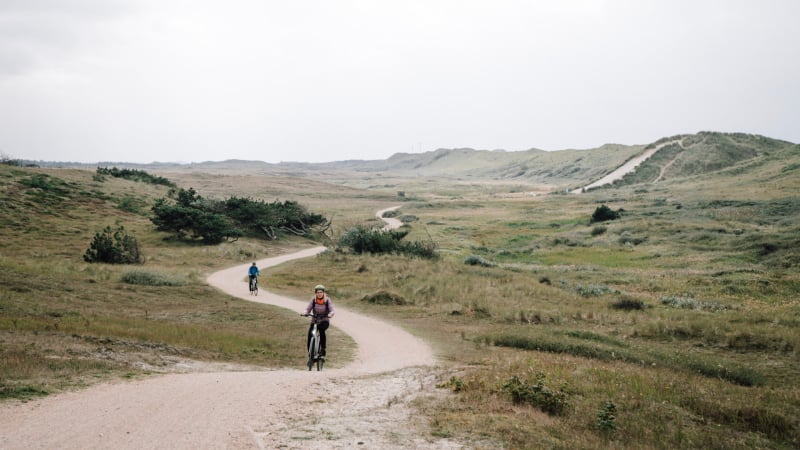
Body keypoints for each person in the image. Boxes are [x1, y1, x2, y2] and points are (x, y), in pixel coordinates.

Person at [303, 284, 335, 358]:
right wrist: (305, 312)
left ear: (323, 293)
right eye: (317, 292)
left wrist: (330, 314)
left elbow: (331, 310)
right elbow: (308, 308)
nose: (319, 294)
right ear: (315, 293)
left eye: (321, 292)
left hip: (324, 320)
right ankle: (310, 355)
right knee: (310, 335)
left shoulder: (327, 300)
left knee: (321, 330)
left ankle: (323, 349)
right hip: (315, 320)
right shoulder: (313, 300)